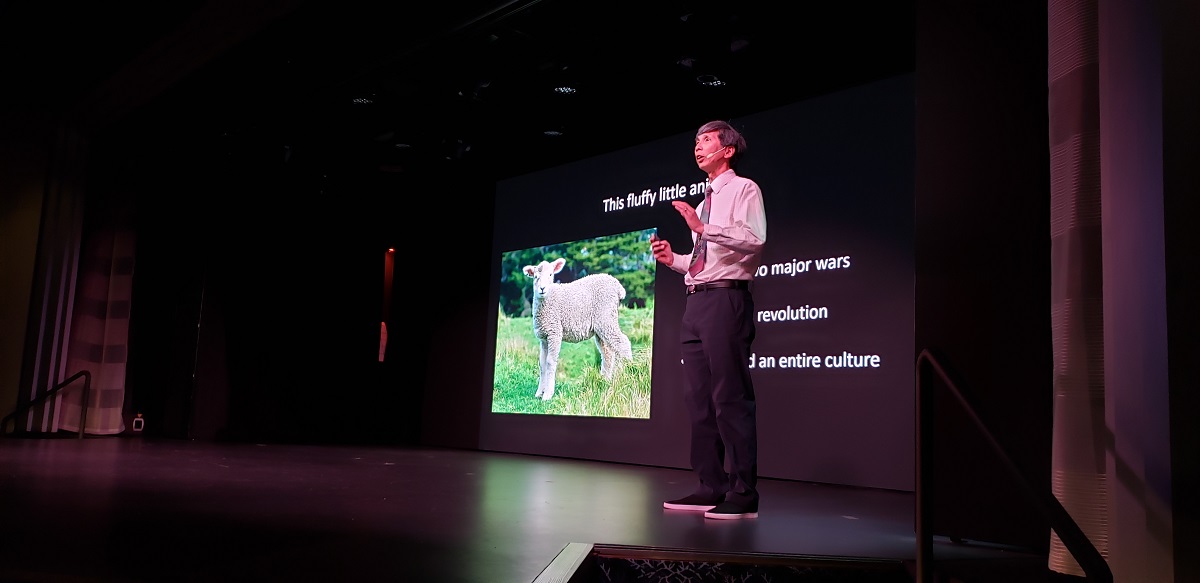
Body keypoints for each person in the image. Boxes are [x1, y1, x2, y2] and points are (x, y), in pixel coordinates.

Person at [651, 120, 767, 519]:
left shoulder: (744, 189)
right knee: (698, 400)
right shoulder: (703, 204)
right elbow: (703, 262)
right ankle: (710, 485)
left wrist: (705, 228)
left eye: (706, 141)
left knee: (729, 396)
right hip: (696, 302)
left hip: (726, 301)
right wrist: (674, 260)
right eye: (696, 142)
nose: (698, 148)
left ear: (727, 150)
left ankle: (744, 493)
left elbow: (754, 240)